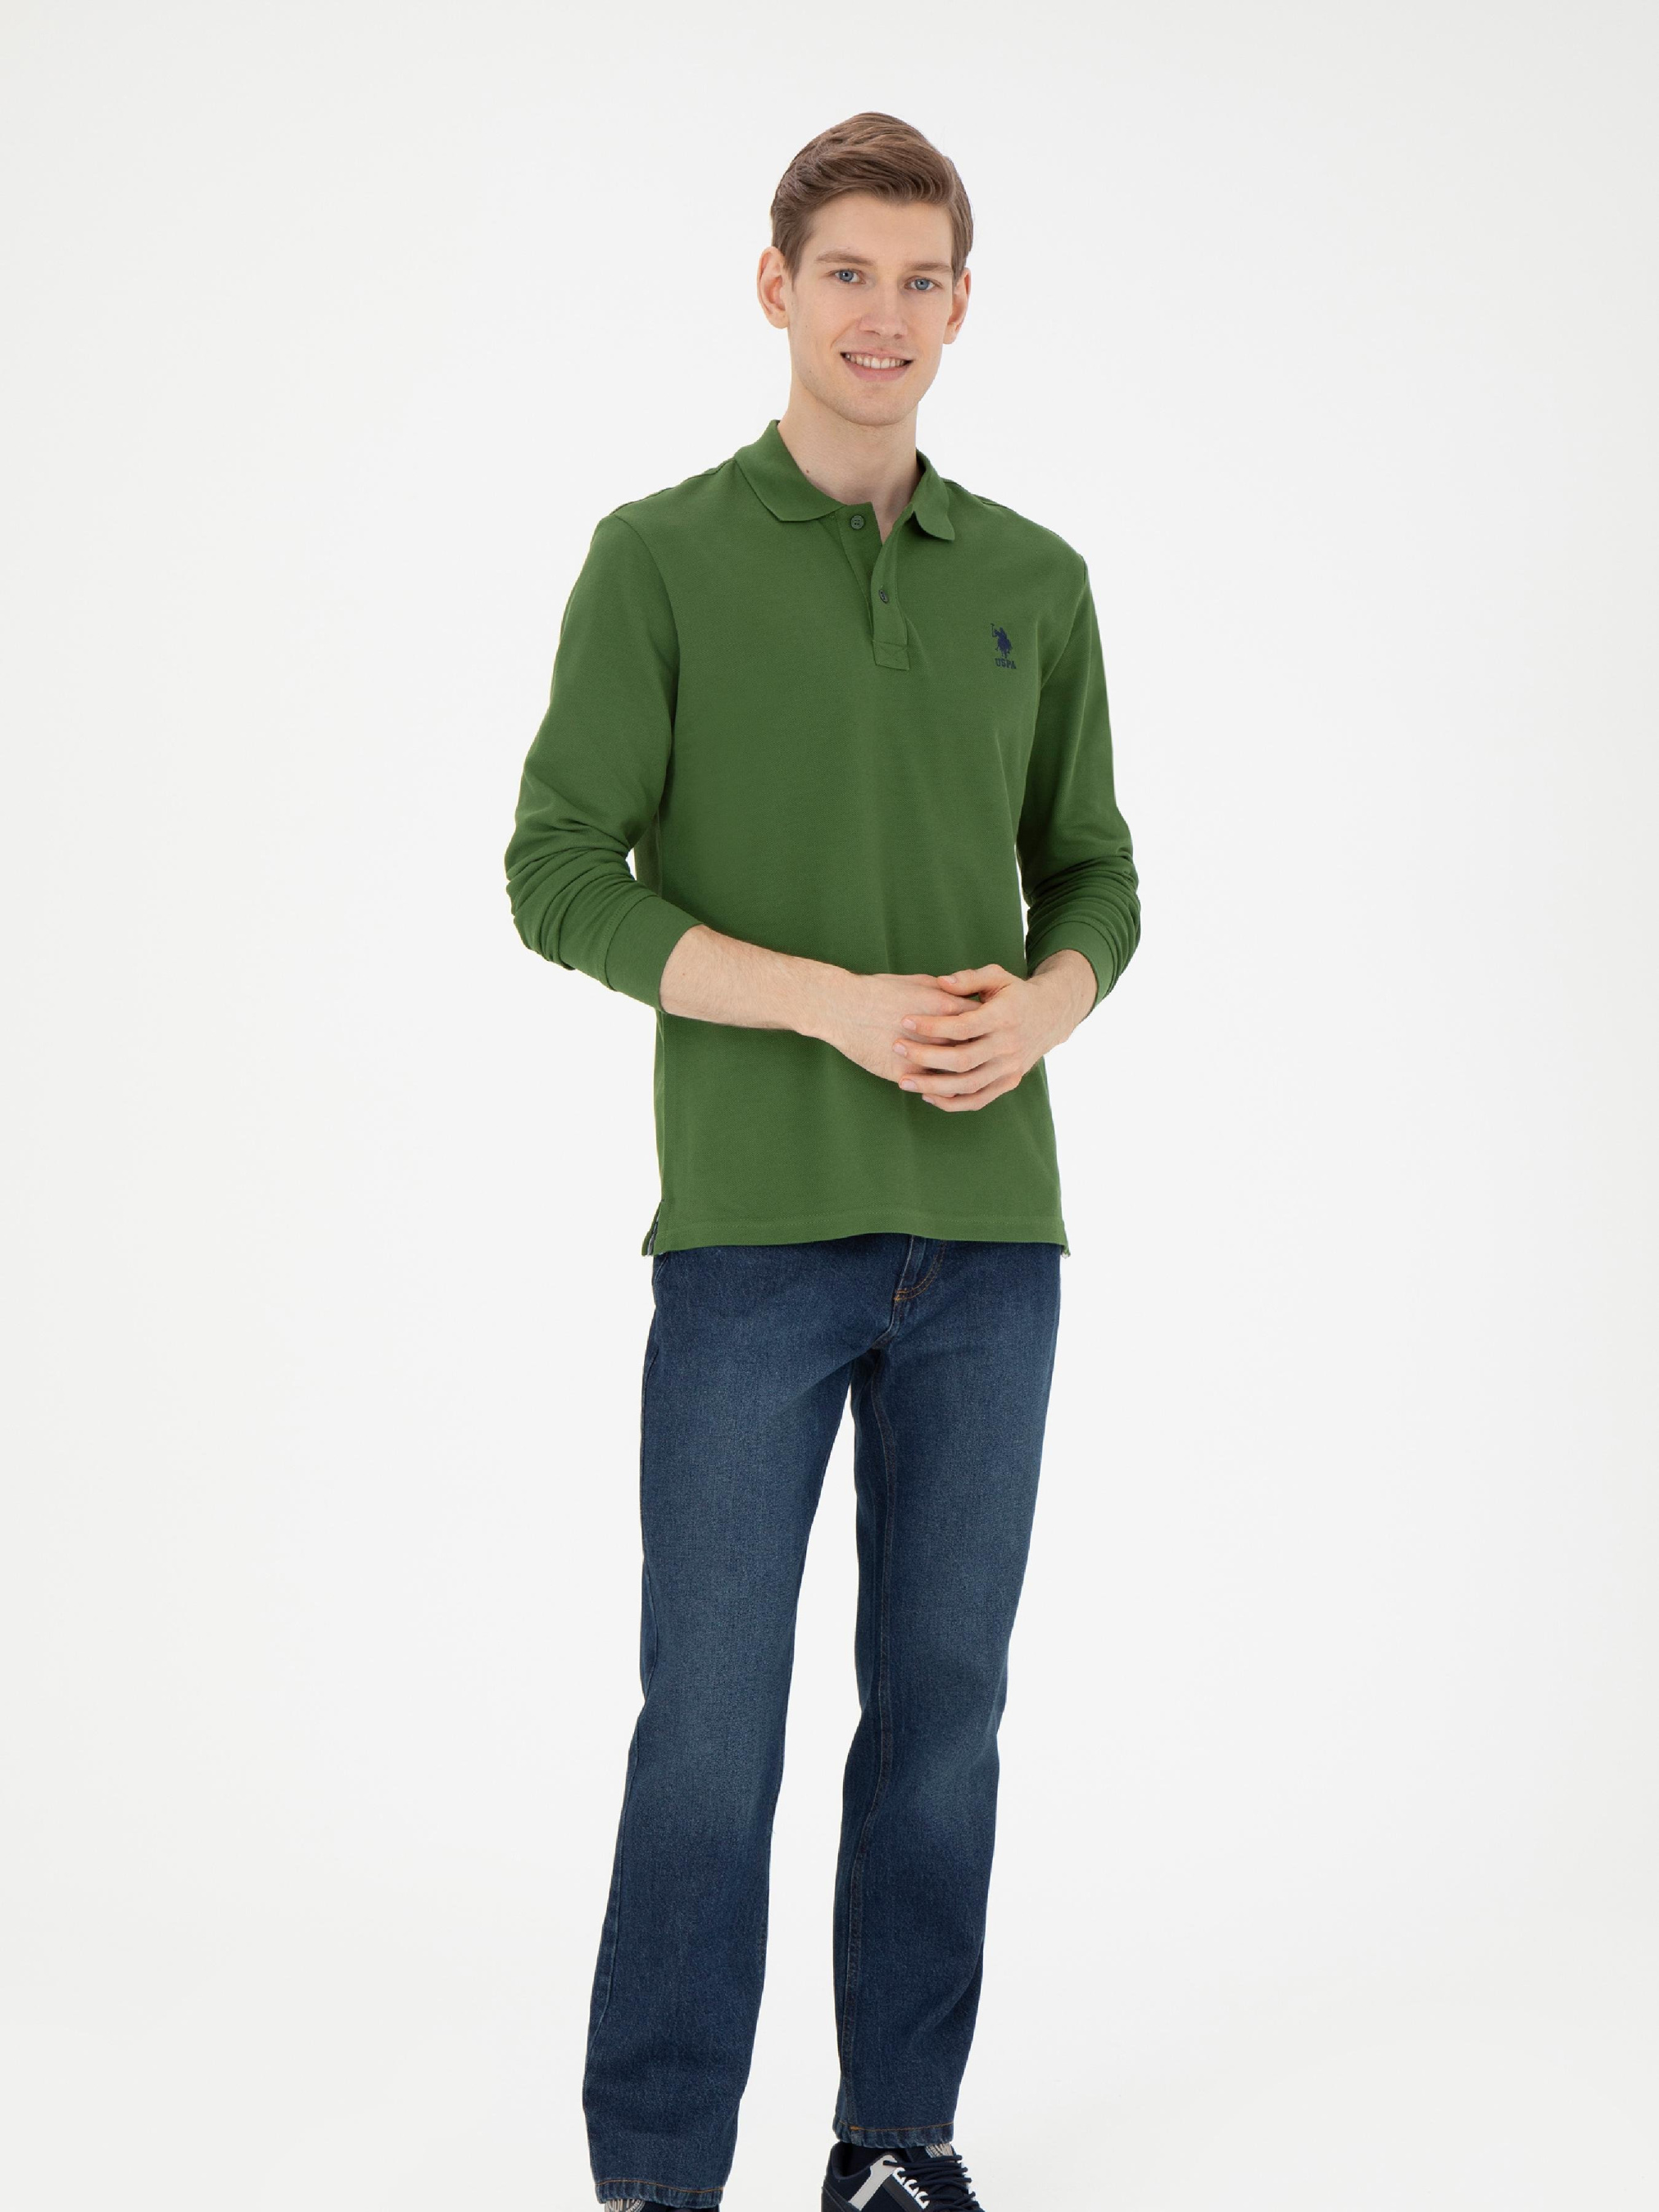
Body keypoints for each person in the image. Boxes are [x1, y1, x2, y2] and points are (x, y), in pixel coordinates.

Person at [504, 109, 1140, 2212]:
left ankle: (893, 2141)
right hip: (753, 1238)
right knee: (709, 1725)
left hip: (990, 1239)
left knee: (941, 1718)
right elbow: (555, 872)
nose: (883, 314)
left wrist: (1044, 1008)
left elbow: (1095, 874)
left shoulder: (1032, 581)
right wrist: (824, 1003)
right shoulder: (658, 557)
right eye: (845, 272)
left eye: (918, 278)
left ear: (963, 306)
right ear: (775, 287)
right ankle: (656, 2176)